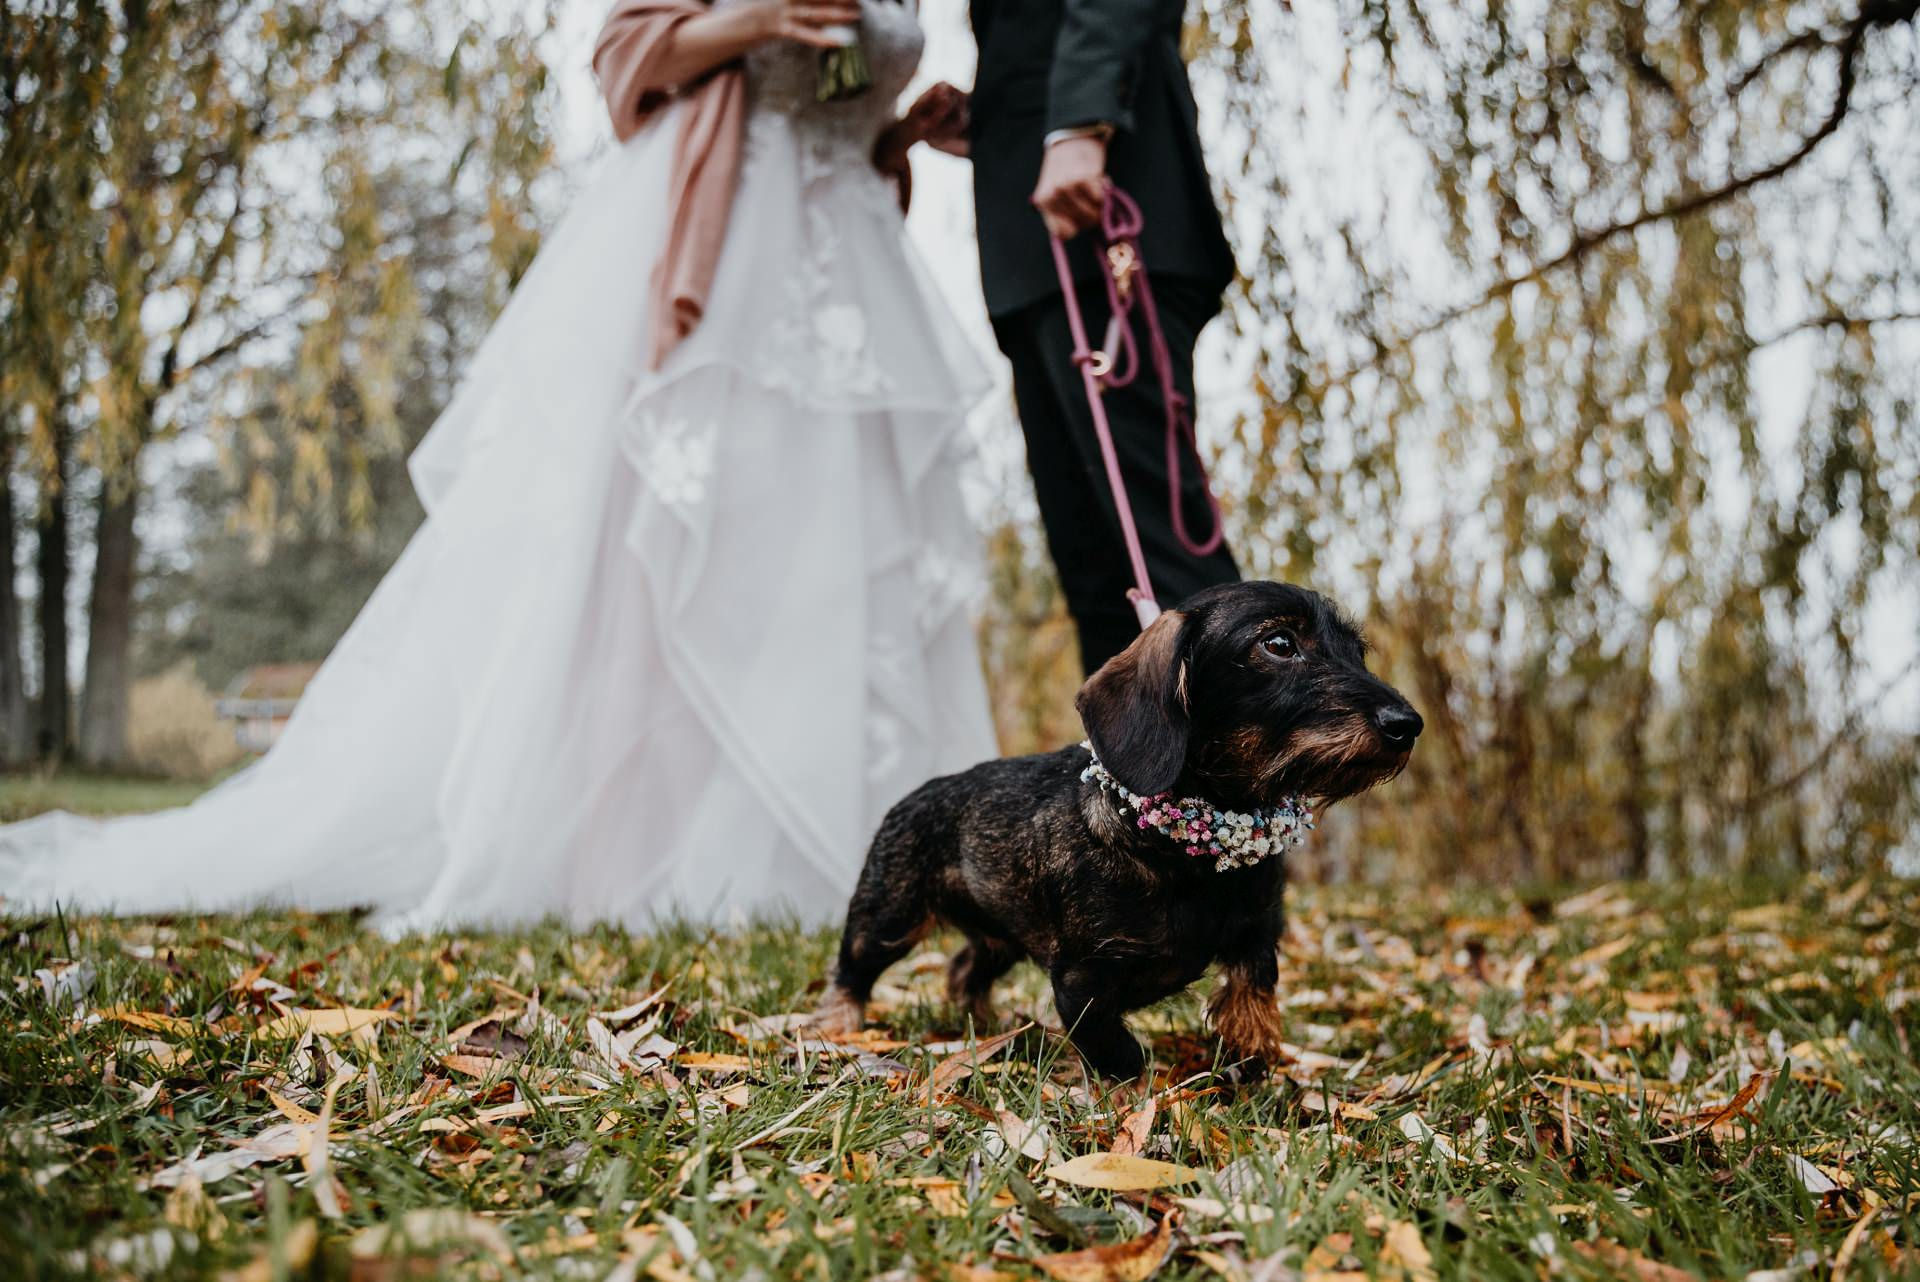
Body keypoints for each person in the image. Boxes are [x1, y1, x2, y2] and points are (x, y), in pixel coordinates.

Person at [0, 0, 996, 930]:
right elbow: (628, 58)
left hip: (845, 278)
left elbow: (842, 124)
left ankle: (844, 853)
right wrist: (754, 21)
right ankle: (634, 851)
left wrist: (902, 131)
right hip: (724, 254)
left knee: (817, 555)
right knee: (684, 540)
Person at [935, 0, 1241, 673]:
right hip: (1033, 254)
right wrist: (990, 117)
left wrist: (1080, 118)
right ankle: (1142, 781)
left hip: (1107, 220)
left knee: (1164, 563)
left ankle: (1258, 776)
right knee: (1100, 577)